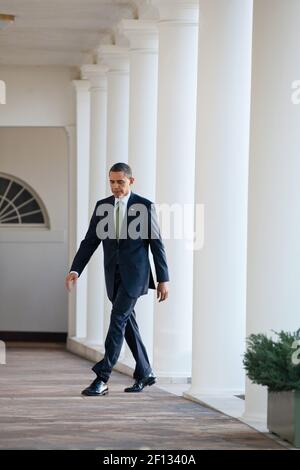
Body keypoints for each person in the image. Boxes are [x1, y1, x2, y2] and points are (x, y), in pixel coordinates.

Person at [65, 162, 169, 396]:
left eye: (120, 182)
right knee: (127, 322)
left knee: (118, 319)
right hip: (113, 275)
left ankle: (102, 378)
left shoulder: (144, 206)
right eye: (111, 182)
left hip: (136, 276)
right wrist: (75, 270)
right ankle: (145, 372)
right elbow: (90, 241)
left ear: (131, 181)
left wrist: (163, 278)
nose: (115, 186)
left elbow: (156, 245)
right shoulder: (103, 207)